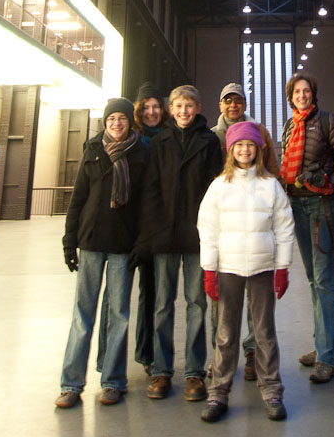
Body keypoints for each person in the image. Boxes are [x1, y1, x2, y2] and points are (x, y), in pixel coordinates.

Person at [197, 121, 294, 423]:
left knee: (264, 332)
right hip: (229, 268)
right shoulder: (219, 187)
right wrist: (209, 270)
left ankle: (272, 390)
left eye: (250, 145)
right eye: (239, 145)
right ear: (230, 149)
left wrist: (282, 267)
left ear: (258, 150)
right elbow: (208, 229)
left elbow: (284, 228)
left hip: (263, 267)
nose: (244, 150)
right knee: (226, 333)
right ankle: (218, 392)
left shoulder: (271, 185)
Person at [55, 97, 148, 408]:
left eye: (122, 118)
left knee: (118, 315)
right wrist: (69, 241)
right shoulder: (93, 150)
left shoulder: (140, 153)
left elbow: (145, 204)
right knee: (82, 314)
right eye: (111, 119)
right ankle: (71, 384)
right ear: (105, 123)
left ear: (129, 121)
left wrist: (141, 243)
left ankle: (113, 381)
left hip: (123, 245)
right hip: (91, 241)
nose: (116, 124)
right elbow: (78, 199)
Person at [133, 84, 222, 401]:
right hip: (165, 235)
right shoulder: (160, 142)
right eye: (178, 106)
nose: (184, 111)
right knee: (162, 305)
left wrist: (211, 229)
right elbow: (150, 188)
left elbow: (216, 188)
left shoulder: (209, 141)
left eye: (189, 106)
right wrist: (153, 230)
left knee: (197, 303)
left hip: (197, 236)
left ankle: (194, 373)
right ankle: (161, 370)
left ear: (197, 108)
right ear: (171, 110)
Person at [211, 81, 279, 381]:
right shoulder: (212, 136)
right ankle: (220, 356)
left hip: (255, 226)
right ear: (221, 105)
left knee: (257, 297)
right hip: (226, 227)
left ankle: (252, 352)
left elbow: (272, 169)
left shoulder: (259, 132)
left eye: (237, 100)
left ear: (244, 104)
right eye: (227, 100)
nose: (232, 105)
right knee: (223, 299)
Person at [279, 71, 334, 384]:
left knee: (324, 280)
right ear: (290, 97)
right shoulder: (290, 126)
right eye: (297, 92)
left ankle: (327, 356)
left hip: (322, 206)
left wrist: (327, 180)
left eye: (306, 91)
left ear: (313, 93)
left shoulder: (328, 121)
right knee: (312, 279)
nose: (302, 96)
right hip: (298, 206)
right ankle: (326, 346)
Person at [131, 83, 168, 372]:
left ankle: (155, 355)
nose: (151, 112)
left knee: (157, 292)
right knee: (145, 293)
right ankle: (145, 352)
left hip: (161, 225)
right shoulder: (132, 140)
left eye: (156, 107)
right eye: (146, 107)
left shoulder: (167, 138)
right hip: (134, 225)